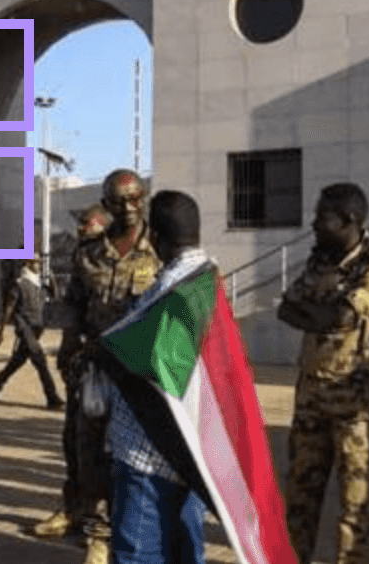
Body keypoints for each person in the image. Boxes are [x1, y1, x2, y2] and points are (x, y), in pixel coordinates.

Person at [36, 171, 160, 564]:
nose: (127, 207)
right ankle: (98, 534)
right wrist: (69, 352)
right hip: (96, 372)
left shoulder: (160, 249)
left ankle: (137, 531)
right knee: (88, 452)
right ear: (106, 205)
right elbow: (74, 306)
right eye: (118, 201)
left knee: (134, 458)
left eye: (134, 198)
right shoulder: (89, 253)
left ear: (144, 198)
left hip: (140, 375)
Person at [276, 183, 369, 564]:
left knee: (354, 506)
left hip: (353, 411)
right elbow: (285, 309)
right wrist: (324, 317)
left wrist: (318, 316)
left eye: (322, 217)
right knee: (299, 497)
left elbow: (340, 317)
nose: (313, 224)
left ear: (349, 221)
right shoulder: (320, 263)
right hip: (311, 401)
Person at [102, 191, 215, 564]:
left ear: (156, 238)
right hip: (187, 450)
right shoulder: (206, 280)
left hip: (150, 454)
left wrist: (108, 354)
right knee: (184, 550)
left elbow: (156, 370)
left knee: (139, 554)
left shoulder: (174, 290)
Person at [0, 250, 63, 409]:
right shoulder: (20, 283)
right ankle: (52, 397)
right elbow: (9, 308)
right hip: (24, 326)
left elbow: (55, 295)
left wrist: (52, 278)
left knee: (17, 361)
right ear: (28, 263)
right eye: (35, 262)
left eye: (40, 262)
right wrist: (0, 331)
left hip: (37, 327)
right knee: (40, 360)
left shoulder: (39, 283)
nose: (38, 265)